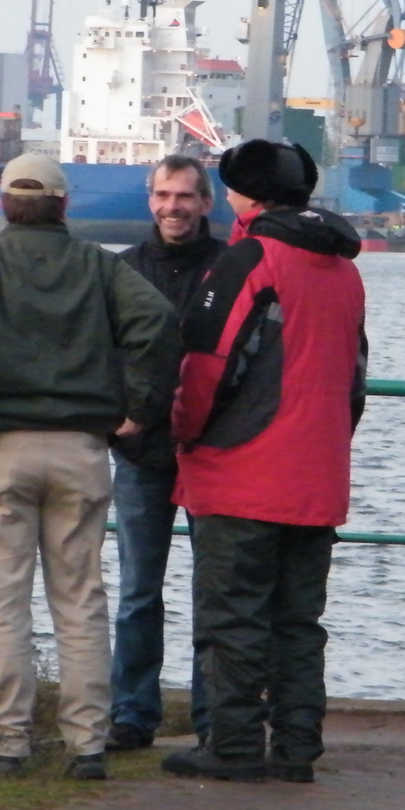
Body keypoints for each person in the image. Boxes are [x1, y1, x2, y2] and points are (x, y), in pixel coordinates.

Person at [0, 154, 179, 780]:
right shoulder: (98, 265)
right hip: (80, 450)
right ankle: (87, 743)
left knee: (2, 601)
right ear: (65, 204)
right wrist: (137, 408)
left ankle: (7, 741)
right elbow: (158, 321)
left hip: (0, 448)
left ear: (3, 203)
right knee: (81, 600)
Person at [159, 139, 367, 783]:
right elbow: (355, 379)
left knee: (233, 617)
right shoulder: (345, 269)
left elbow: (209, 365)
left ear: (244, 195)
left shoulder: (251, 257)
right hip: (318, 474)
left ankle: (233, 745)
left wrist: (182, 434)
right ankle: (297, 747)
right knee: (298, 622)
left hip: (241, 474)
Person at [106, 155, 226, 752]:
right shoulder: (122, 270)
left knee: (216, 594)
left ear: (206, 202)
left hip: (214, 454)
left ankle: (214, 718)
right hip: (140, 452)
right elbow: (100, 353)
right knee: (137, 592)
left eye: (184, 196)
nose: (172, 207)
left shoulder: (231, 268)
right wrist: (118, 424)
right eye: (163, 195)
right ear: (150, 199)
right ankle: (132, 714)